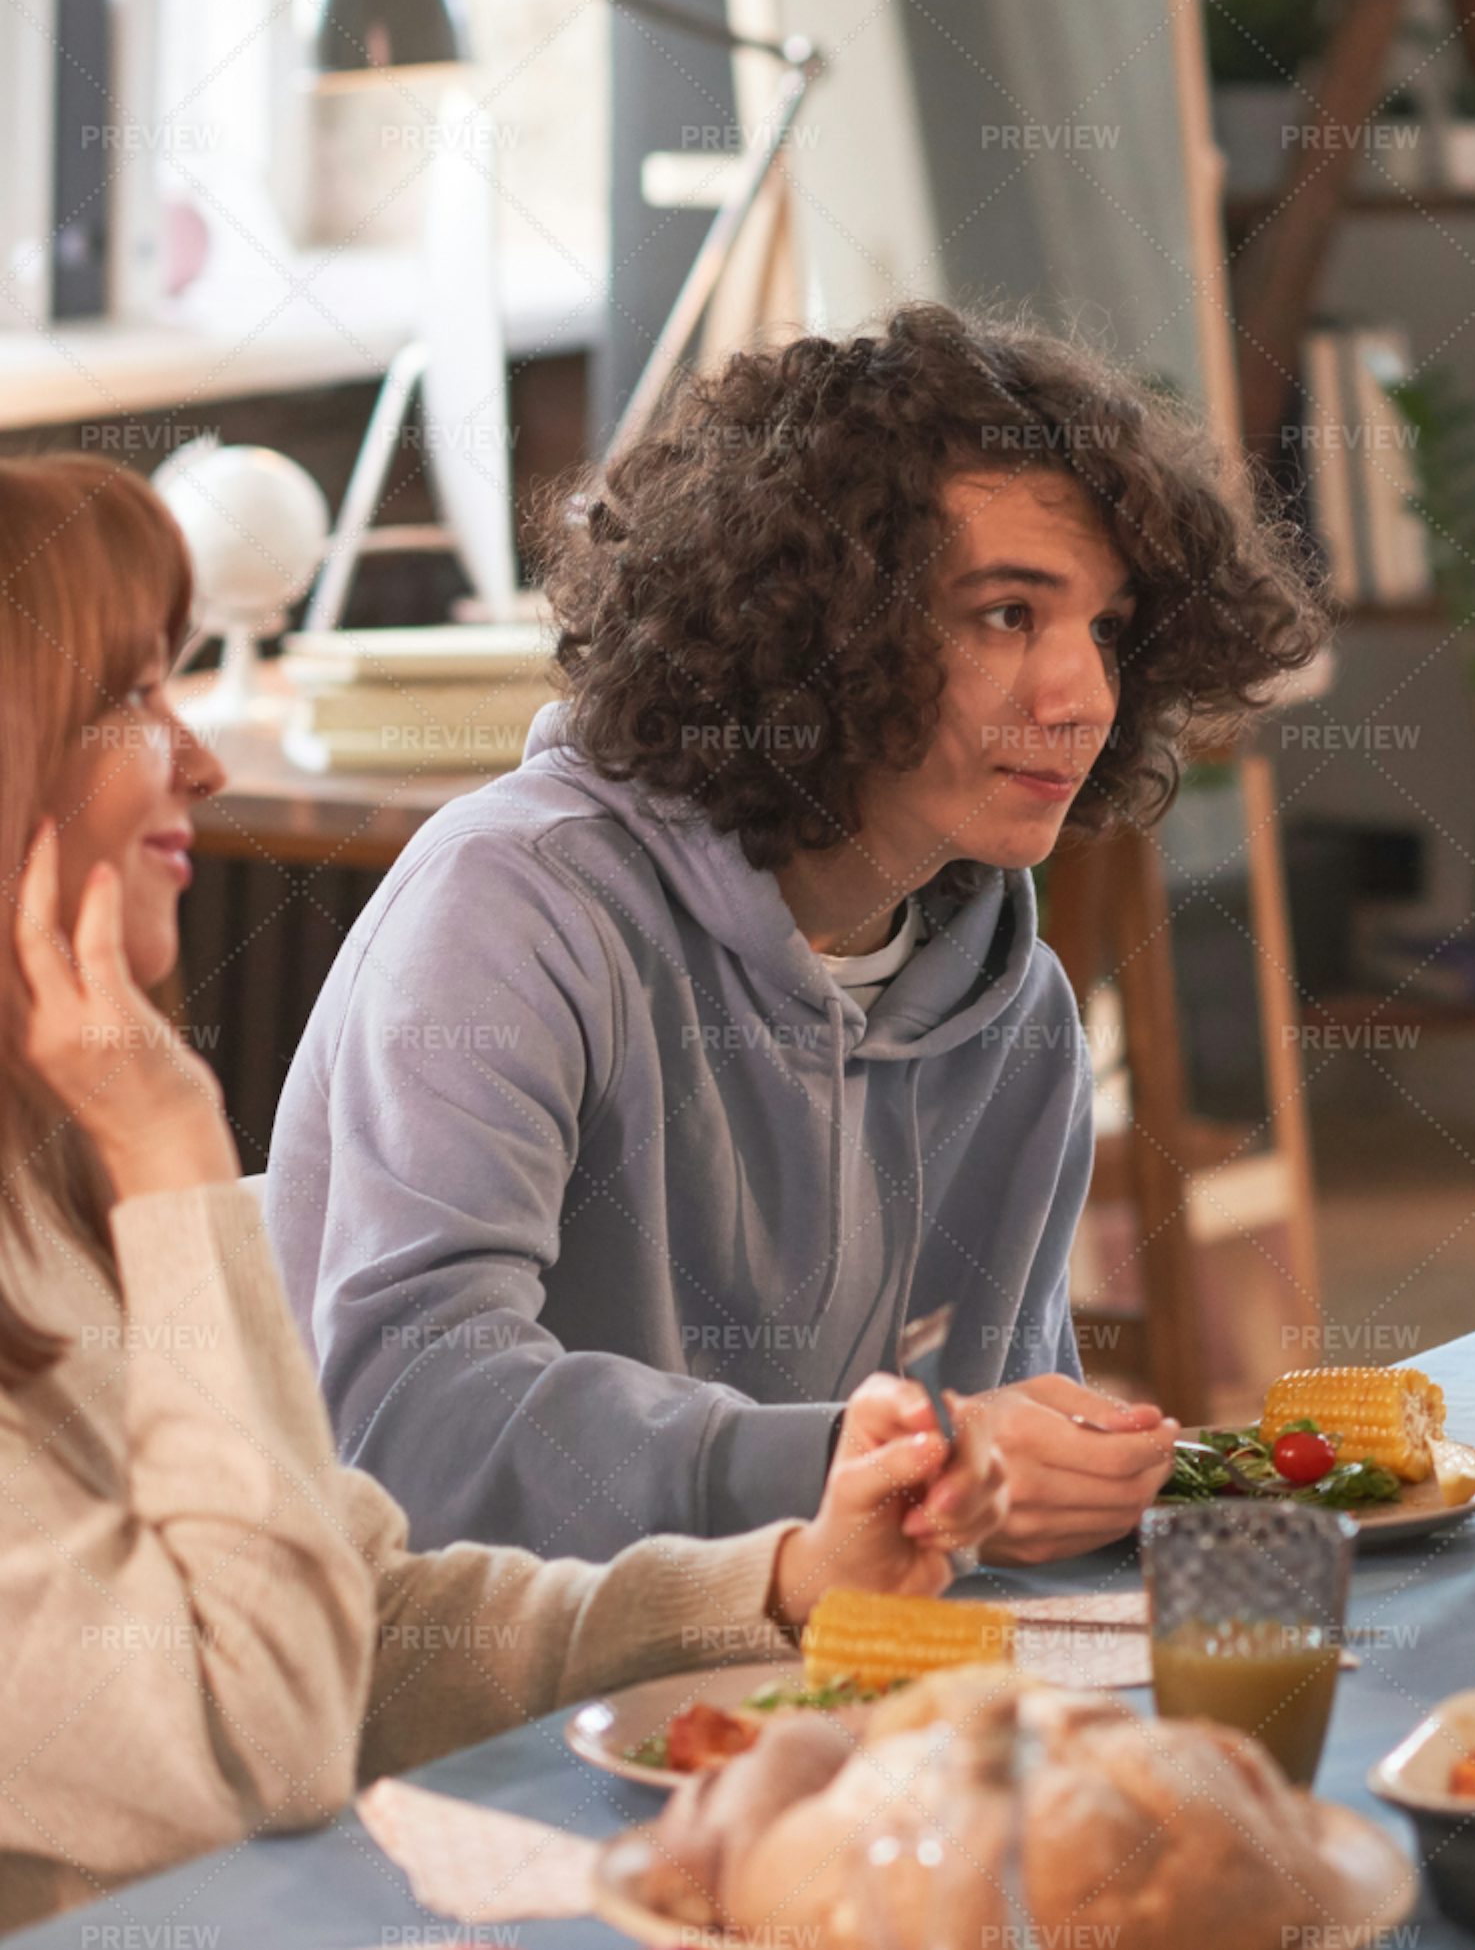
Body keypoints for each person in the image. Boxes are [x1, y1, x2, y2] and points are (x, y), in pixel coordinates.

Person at [0, 454, 1010, 1925]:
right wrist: (170, 1152)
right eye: (137, 698)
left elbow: (362, 1624)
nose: (201, 759)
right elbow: (266, 1737)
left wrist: (783, 1579)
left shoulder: (49, 1179)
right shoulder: (133, 1151)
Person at [272, 306, 1316, 1561]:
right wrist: (845, 1463)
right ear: (821, 624)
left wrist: (1051, 1480)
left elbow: (970, 1501)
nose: (1083, 695)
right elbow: (411, 1423)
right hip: (491, 1717)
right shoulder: (511, 909)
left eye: (1103, 629)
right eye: (1005, 616)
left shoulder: (1016, 1011)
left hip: (827, 1691)